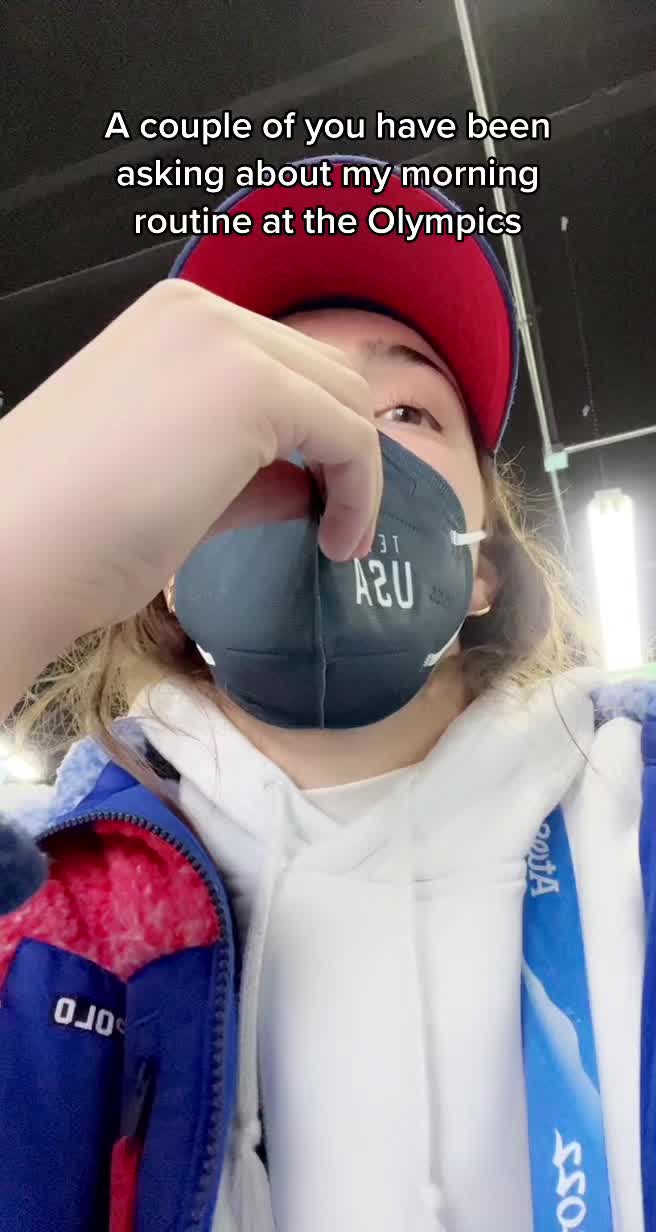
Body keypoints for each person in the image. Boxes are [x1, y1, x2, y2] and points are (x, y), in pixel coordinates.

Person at [0, 153, 653, 1232]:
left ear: (483, 569)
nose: (333, 442)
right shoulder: (43, 916)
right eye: (268, 411)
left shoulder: (633, 817)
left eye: (405, 410)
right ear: (168, 565)